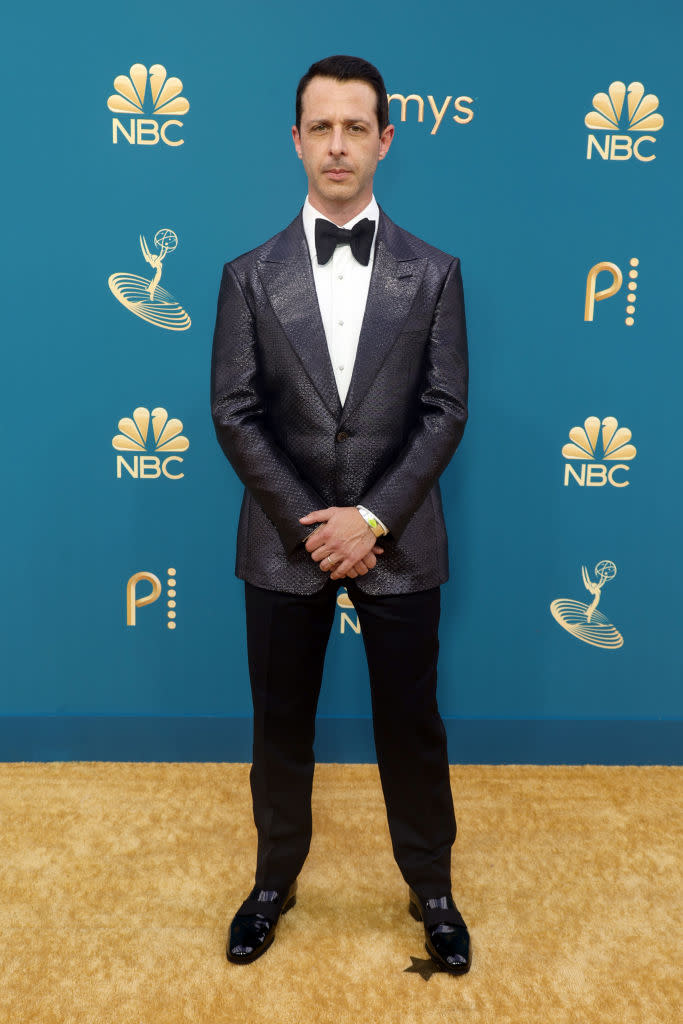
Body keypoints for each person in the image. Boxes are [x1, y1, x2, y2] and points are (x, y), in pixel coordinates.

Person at [210, 54, 470, 974]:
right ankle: (273, 882)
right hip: (286, 547)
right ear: (295, 140)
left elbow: (444, 411)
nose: (336, 145)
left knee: (413, 725)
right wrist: (316, 524)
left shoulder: (434, 274)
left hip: (399, 543)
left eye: (354, 127)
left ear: (384, 140)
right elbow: (233, 413)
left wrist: (373, 520)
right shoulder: (246, 277)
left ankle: (431, 890)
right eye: (319, 127)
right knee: (280, 726)